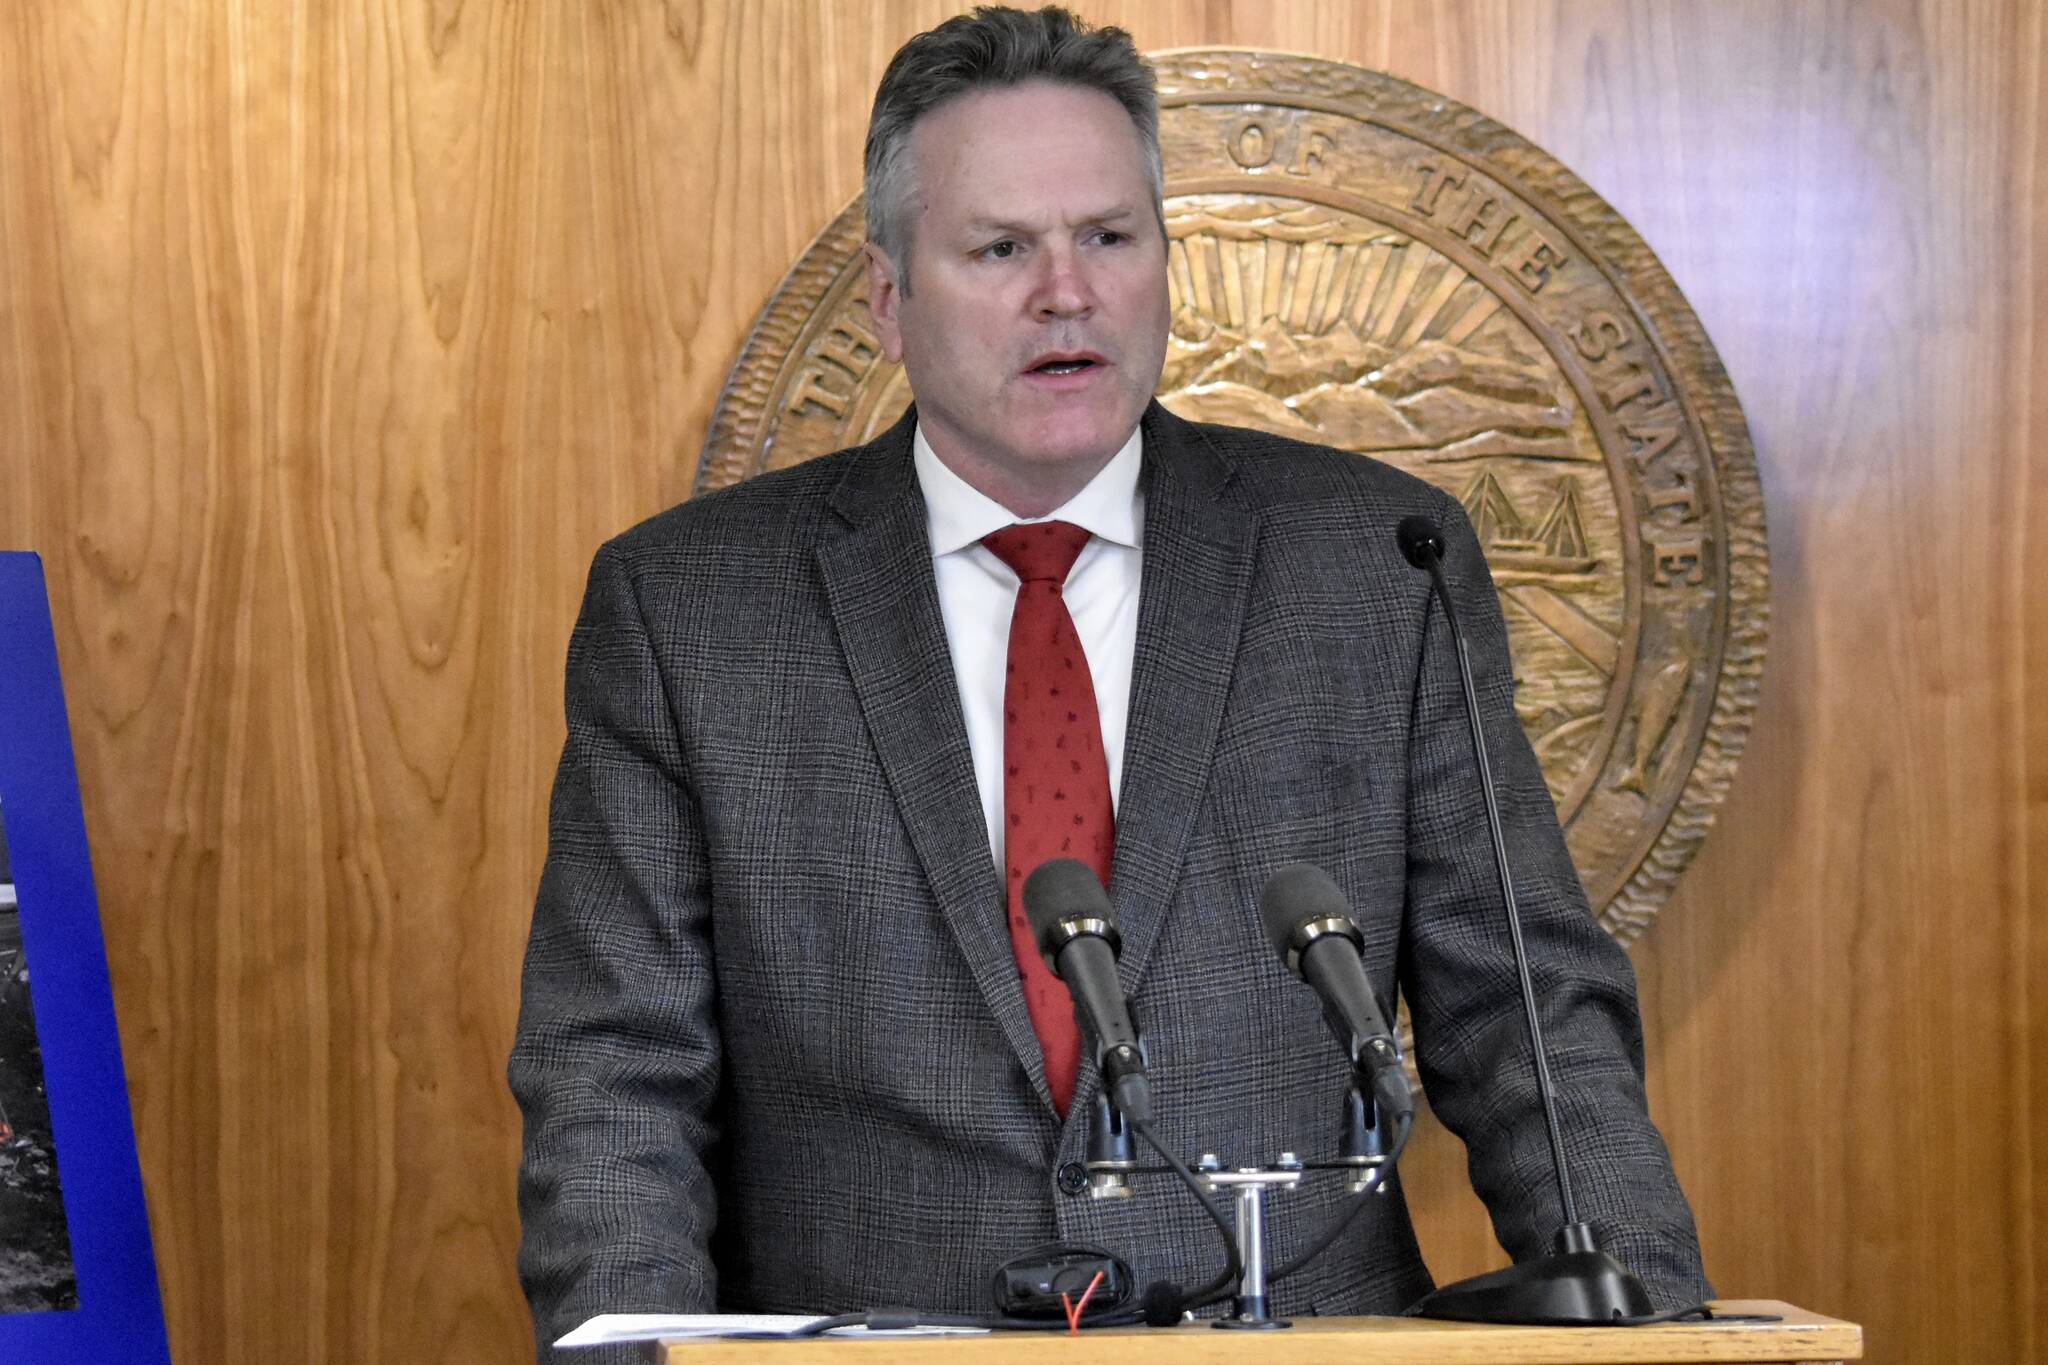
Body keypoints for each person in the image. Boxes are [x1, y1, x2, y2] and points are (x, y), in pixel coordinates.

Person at [509, 6, 1709, 1357]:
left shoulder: (1377, 564)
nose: (1065, 292)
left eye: (1109, 238)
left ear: (1163, 267)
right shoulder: (695, 608)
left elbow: (1530, 1021)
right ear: (889, 299)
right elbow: (615, 1082)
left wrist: (1662, 1326)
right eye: (1001, 248)